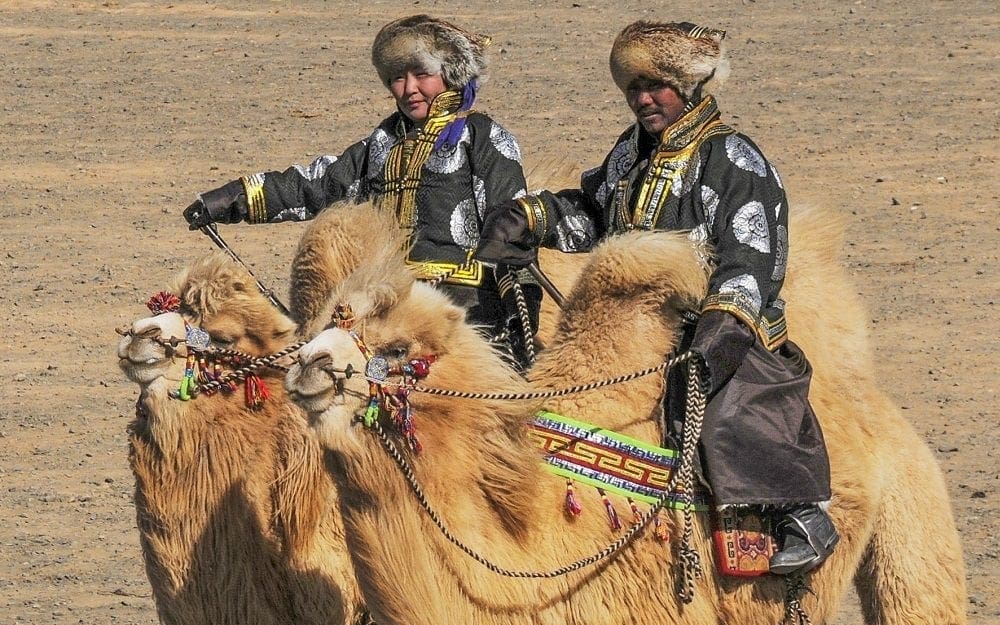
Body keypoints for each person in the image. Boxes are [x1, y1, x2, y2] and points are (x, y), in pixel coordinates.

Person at [474, 20, 839, 575]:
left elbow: (753, 256)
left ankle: (802, 515)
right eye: (632, 89)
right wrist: (531, 217)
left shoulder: (734, 160)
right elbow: (594, 216)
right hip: (634, 326)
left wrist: (723, 326)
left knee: (730, 410)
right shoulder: (630, 155)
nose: (642, 100)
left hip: (715, 325)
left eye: (655, 87)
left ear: (687, 86)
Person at [182, 14, 541, 369]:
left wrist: (519, 308)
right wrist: (234, 198)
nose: (409, 88)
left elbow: (512, 224)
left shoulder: (483, 137)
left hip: (463, 307)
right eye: (397, 77)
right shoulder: (382, 143)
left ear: (452, 74)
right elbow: (318, 185)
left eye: (422, 74)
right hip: (386, 302)